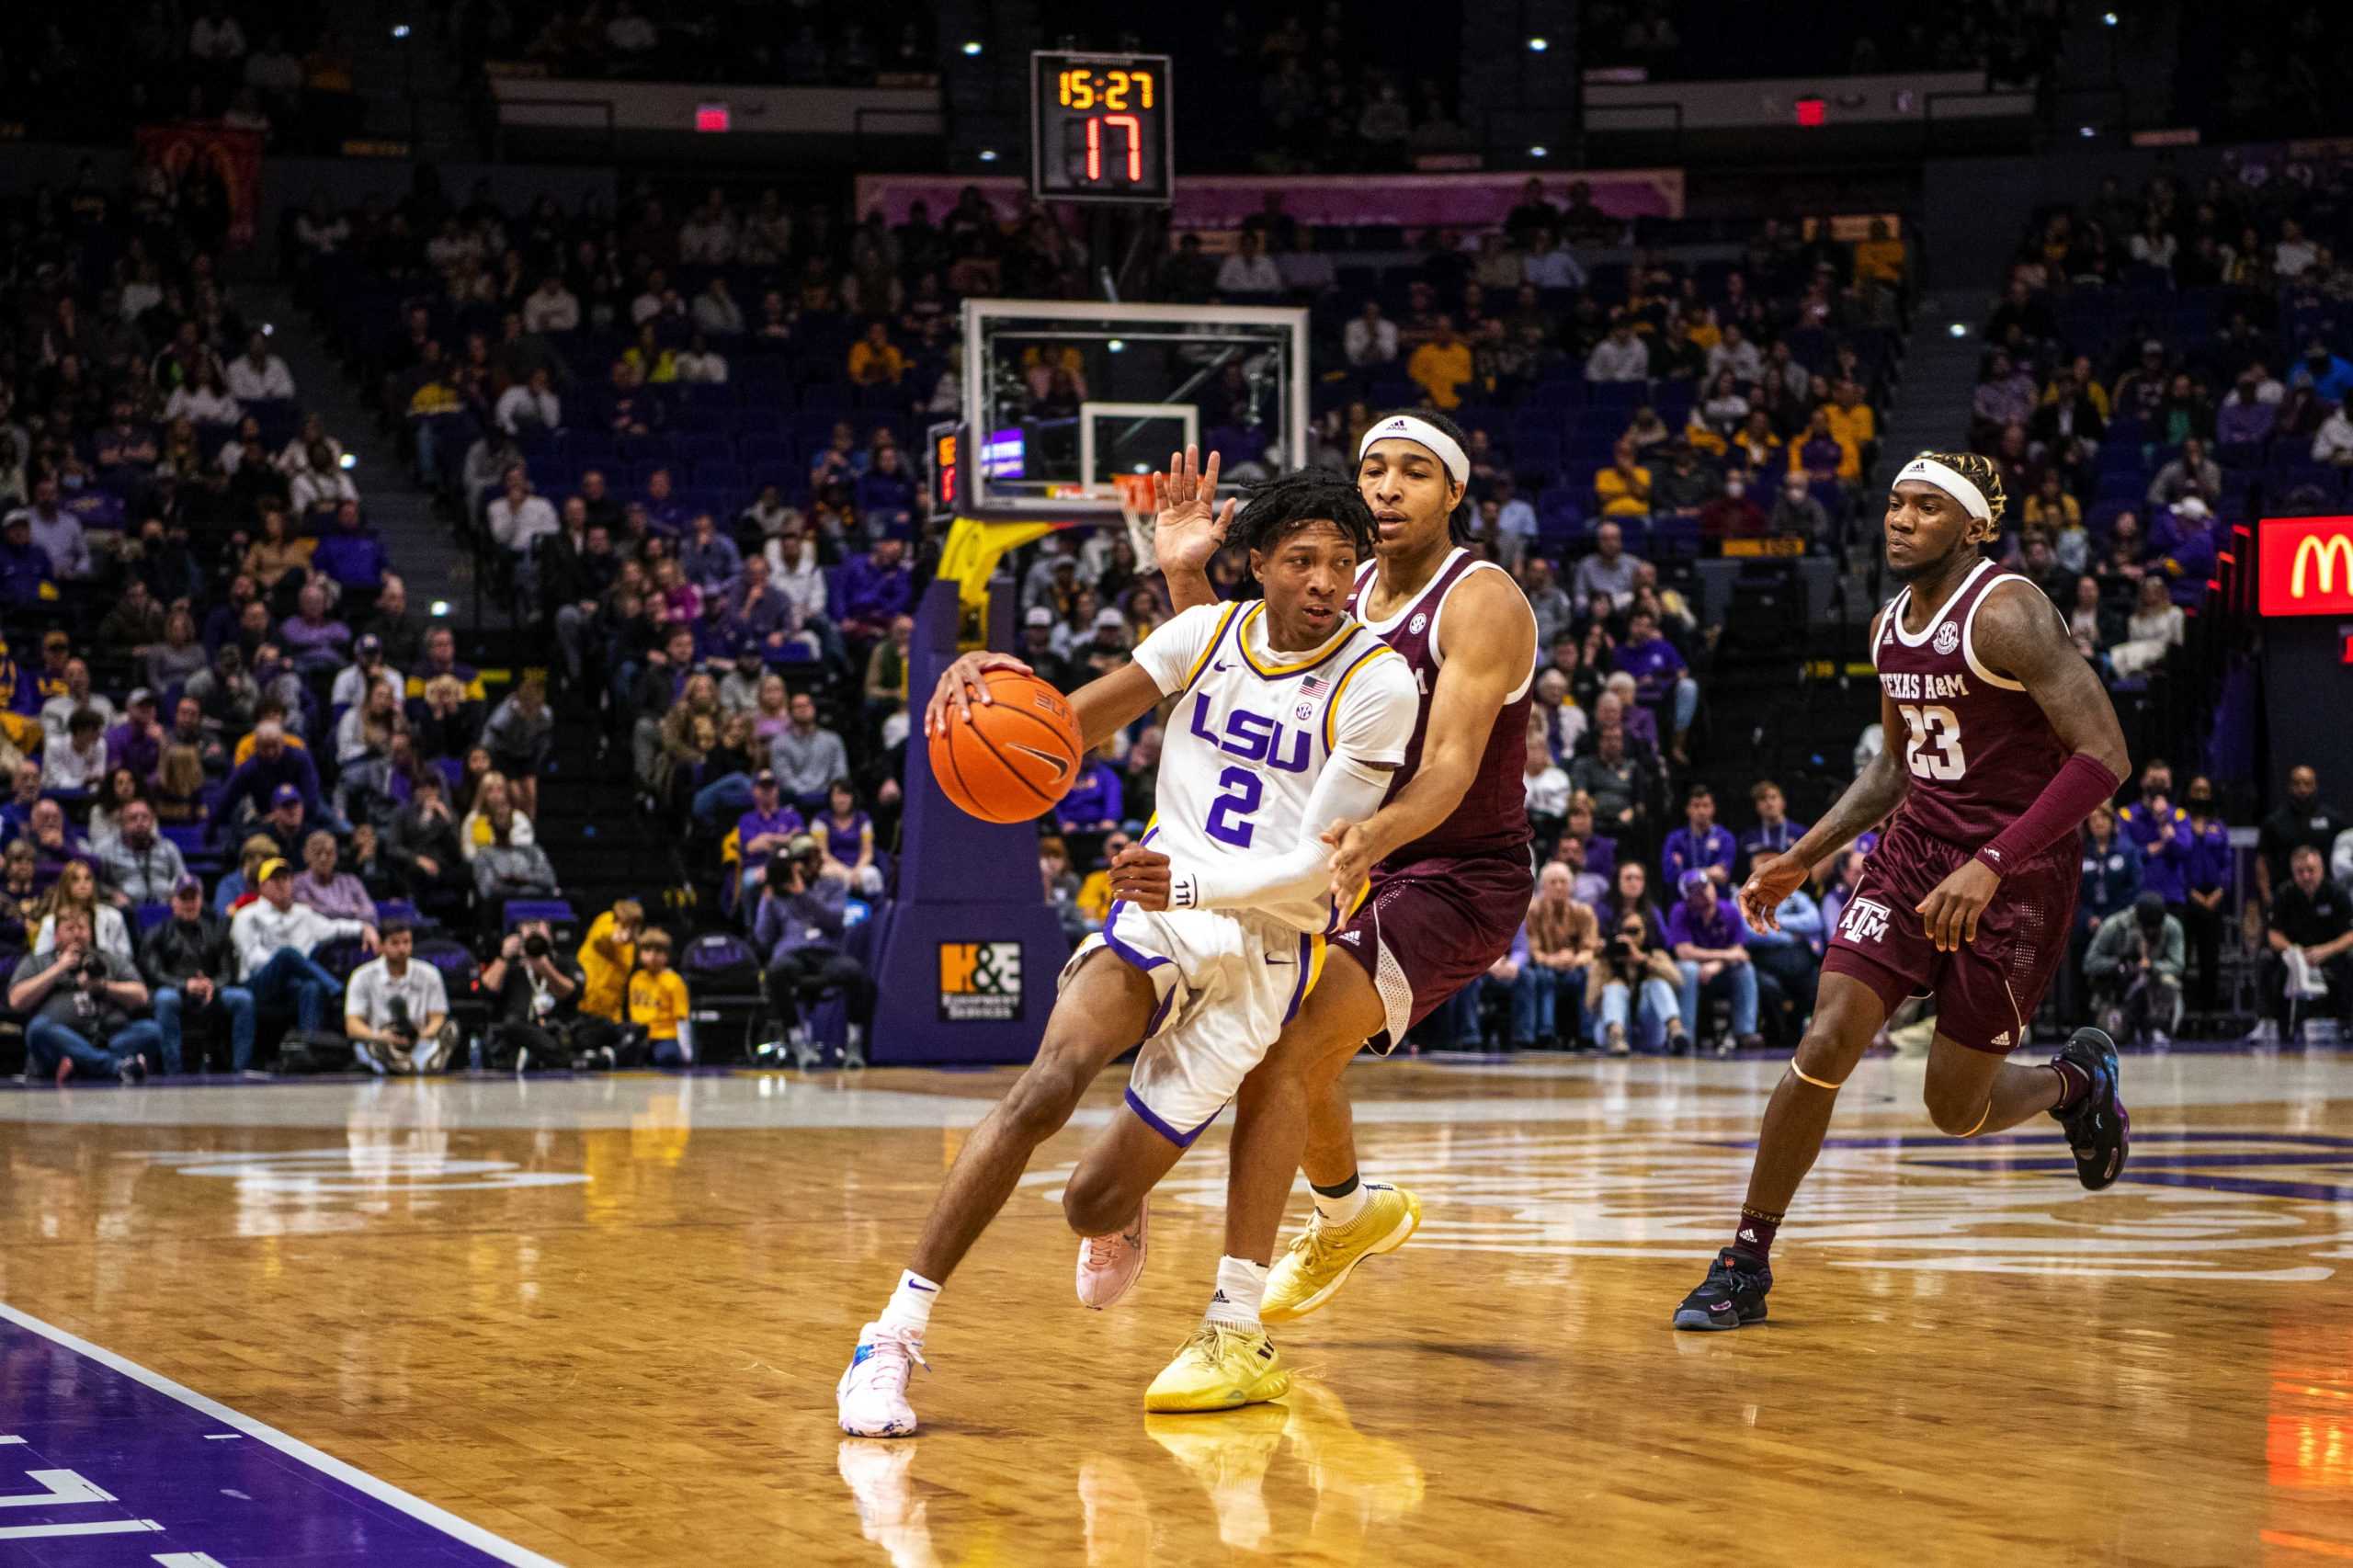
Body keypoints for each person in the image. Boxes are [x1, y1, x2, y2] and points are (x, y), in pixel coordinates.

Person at [838, 470, 1418, 1437]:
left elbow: (1318, 880)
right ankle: (890, 1334)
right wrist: (972, 680)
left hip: (1263, 944)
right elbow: (1055, 732)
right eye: (1304, 560)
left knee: (1086, 1200)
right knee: (1047, 1082)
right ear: (1259, 564)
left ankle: (1120, 1203)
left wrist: (1186, 883)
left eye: (1343, 564)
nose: (1325, 581)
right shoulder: (1205, 634)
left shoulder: (1380, 683)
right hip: (1157, 916)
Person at [1676, 449, 2132, 1332]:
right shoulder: (1890, 623)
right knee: (1828, 1034)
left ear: (1974, 527)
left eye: (1926, 507)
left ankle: (2076, 1080)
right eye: (1896, 503)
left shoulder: (2009, 614)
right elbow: (1894, 766)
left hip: (2017, 875)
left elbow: (2105, 756)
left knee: (1954, 1110)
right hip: (1915, 853)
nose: (1901, 519)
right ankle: (1745, 1260)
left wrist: (1993, 862)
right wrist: (1802, 854)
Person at [1146, 415, 1539, 1333]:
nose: (1387, 488)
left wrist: (1374, 831)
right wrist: (1182, 577)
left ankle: (1233, 1326)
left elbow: (1447, 763)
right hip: (1340, 860)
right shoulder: (1337, 584)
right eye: (1373, 469)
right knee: (1280, 1047)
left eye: (1413, 472)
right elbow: (1240, 679)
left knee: (1285, 1051)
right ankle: (1349, 1215)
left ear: (1453, 494)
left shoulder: (1478, 599)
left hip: (1452, 872)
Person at [753, 833, 876, 1069]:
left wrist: (803, 895)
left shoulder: (832, 886)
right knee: (776, 972)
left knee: (855, 973)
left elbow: (833, 921)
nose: (804, 866)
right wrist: (767, 902)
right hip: (793, 954)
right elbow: (763, 938)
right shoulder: (777, 894)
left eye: (809, 859)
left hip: (826, 953)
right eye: (800, 860)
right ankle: (798, 1042)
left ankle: (854, 1044)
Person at [10, 906, 156, 1085]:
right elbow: (16, 1000)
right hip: (59, 1044)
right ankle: (116, 1067)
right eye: (70, 929)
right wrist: (59, 968)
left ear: (91, 933)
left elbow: (141, 995)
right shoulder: (38, 961)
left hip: (107, 1038)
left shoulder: (108, 960)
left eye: (82, 928)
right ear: (56, 936)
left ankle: (81, 1065)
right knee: (38, 1029)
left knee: (150, 1030)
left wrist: (103, 986)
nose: (77, 934)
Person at [231, 857, 376, 1033]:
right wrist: (287, 963)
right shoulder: (247, 916)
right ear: (262, 886)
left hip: (293, 985)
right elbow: (253, 960)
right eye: (274, 880)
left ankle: (309, 1046)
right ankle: (339, 992)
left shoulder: (303, 913)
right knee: (287, 954)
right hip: (258, 983)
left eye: (285, 879)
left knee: (312, 987)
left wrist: (363, 928)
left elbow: (334, 927)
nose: (281, 884)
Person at [142, 876, 256, 1074]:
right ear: (173, 901)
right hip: (175, 991)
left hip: (210, 992)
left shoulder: (215, 931)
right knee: (165, 999)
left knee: (243, 999)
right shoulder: (158, 933)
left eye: (193, 897)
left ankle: (241, 1069)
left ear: (201, 900)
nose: (189, 903)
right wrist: (184, 985)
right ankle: (174, 1072)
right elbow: (153, 972)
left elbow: (228, 971)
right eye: (183, 898)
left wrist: (212, 984)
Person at [2256, 846, 2353, 1042]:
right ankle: (2271, 1024)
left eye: (2311, 870)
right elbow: (2273, 934)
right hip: (2295, 957)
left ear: (2321, 869)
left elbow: (2350, 934)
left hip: (2330, 954)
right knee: (2266, 960)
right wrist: (2293, 951)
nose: (2306, 876)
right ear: (2293, 873)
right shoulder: (2285, 893)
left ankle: (2348, 1023)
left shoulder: (2337, 893)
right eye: (2300, 872)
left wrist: (2327, 950)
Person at [1666, 870, 1762, 1051]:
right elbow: (1684, 952)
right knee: (1688, 969)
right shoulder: (1680, 911)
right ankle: (1686, 1035)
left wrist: (1716, 965)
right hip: (1692, 970)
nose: (1704, 893)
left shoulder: (1730, 911)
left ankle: (1745, 1033)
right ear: (1688, 897)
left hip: (1719, 971)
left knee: (1745, 968)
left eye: (1707, 886)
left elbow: (1740, 952)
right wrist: (1725, 956)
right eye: (1697, 891)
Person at [345, 918, 453, 1074]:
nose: (402, 948)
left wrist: (422, 1035)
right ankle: (395, 1061)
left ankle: (428, 1061)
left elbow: (437, 1018)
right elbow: (352, 1025)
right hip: (379, 1040)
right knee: (369, 1048)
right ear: (381, 946)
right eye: (395, 943)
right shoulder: (361, 976)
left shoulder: (430, 974)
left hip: (418, 1042)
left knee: (436, 1041)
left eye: (406, 942)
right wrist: (380, 1037)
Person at [481, 918, 584, 1070]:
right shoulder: (512, 965)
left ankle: (542, 1055)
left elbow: (570, 993)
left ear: (550, 935)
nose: (533, 931)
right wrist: (504, 956)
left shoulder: (564, 962)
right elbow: (487, 989)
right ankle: (564, 1059)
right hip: (518, 1033)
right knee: (512, 1024)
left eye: (539, 926)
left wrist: (545, 967)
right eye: (529, 926)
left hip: (555, 1029)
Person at [1586, 903, 1686, 1055]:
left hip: (1648, 1032)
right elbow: (1590, 1003)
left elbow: (1678, 982)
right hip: (1610, 1031)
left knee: (1656, 983)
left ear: (1644, 932)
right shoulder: (1606, 960)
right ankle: (1616, 1036)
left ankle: (1675, 1030)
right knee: (1615, 987)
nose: (1631, 937)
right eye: (1626, 931)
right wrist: (1606, 970)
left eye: (1635, 931)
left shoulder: (1655, 955)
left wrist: (1643, 960)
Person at [2086, 892, 2183, 1047]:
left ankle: (2158, 1027)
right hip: (2119, 989)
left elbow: (2177, 965)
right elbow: (2090, 963)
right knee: (2113, 1037)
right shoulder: (2114, 925)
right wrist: (2118, 964)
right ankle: (2121, 1023)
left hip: (2153, 987)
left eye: (2155, 927)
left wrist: (2152, 966)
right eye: (2147, 927)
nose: (2151, 932)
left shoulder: (2172, 927)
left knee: (2169, 981)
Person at [627, 927, 693, 1064]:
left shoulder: (674, 981)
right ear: (640, 953)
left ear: (667, 955)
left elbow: (682, 1019)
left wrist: (686, 1050)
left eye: (658, 951)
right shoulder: (636, 978)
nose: (652, 956)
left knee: (668, 1058)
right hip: (640, 1035)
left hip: (665, 1035)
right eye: (647, 951)